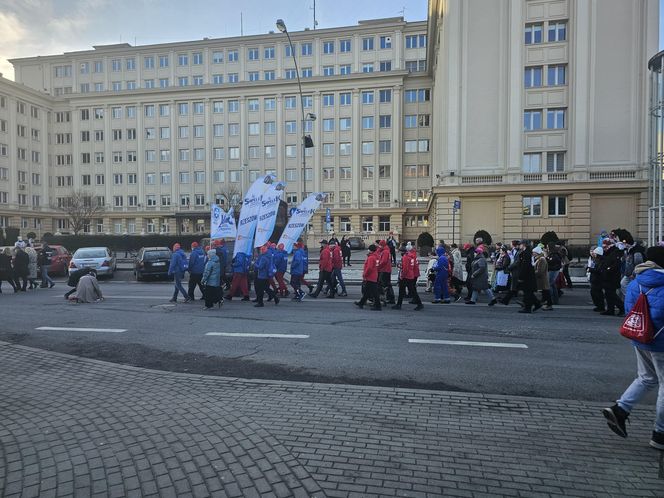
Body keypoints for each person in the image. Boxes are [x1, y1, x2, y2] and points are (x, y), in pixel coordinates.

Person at [603, 246, 664, 450]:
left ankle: (621, 409)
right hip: (660, 341)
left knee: (646, 378)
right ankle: (660, 432)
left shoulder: (637, 281)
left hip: (640, 336)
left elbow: (629, 309)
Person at [598, 238, 625, 316]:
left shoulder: (615, 252)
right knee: (608, 294)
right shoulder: (608, 253)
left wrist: (607, 269)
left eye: (605, 246)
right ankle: (610, 309)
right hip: (607, 276)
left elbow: (615, 265)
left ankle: (622, 308)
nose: (604, 248)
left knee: (611, 294)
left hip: (612, 277)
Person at [393, 245, 423, 310]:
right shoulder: (410, 256)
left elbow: (405, 268)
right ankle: (399, 304)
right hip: (410, 275)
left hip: (406, 276)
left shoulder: (405, 257)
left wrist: (402, 275)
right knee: (410, 290)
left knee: (404, 291)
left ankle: (399, 305)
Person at [355, 244, 381, 311]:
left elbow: (369, 268)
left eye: (369, 249)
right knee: (367, 291)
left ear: (371, 250)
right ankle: (361, 303)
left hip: (370, 276)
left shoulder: (371, 258)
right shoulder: (375, 257)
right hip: (373, 276)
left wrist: (365, 275)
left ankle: (378, 306)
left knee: (374, 292)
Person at [517, 242, 540, 313]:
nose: (519, 246)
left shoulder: (526, 253)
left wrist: (521, 276)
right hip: (529, 275)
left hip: (527, 276)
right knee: (528, 292)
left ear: (524, 245)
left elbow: (525, 266)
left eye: (520, 244)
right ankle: (537, 304)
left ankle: (528, 308)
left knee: (527, 292)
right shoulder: (527, 252)